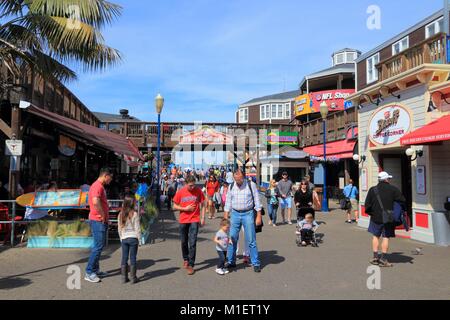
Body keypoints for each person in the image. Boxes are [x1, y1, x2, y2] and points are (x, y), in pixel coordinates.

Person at [224, 169, 263, 273]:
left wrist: (258, 216)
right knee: (232, 238)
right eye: (236, 179)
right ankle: (231, 261)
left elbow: (257, 200)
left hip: (248, 214)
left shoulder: (251, 185)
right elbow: (228, 202)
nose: (238, 182)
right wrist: (225, 216)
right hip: (235, 214)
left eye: (239, 179)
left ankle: (255, 263)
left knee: (251, 239)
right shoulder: (231, 186)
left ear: (243, 177)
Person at [365, 172, 406, 267]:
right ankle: (383, 258)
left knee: (375, 236)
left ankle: (375, 257)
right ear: (386, 179)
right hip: (389, 217)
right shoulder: (393, 189)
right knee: (386, 237)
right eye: (389, 178)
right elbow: (402, 201)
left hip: (375, 217)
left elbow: (367, 205)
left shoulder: (372, 190)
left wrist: (372, 213)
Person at [172, 175, 206, 275]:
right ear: (185, 184)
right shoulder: (181, 192)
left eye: (193, 185)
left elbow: (203, 204)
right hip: (183, 220)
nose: (192, 187)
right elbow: (174, 206)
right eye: (190, 185)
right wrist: (185, 209)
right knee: (183, 241)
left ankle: (191, 264)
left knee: (192, 242)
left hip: (194, 219)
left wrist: (202, 218)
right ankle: (185, 258)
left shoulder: (198, 191)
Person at [85, 168, 113, 283]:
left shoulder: (98, 186)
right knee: (98, 247)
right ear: (106, 176)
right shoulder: (97, 186)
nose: (111, 180)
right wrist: (102, 215)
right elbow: (95, 201)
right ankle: (89, 272)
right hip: (97, 221)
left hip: (99, 220)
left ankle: (95, 270)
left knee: (99, 246)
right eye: (110, 177)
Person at [118, 194, 141, 284]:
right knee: (133, 258)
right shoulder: (134, 214)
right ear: (132, 204)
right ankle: (133, 278)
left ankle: (124, 277)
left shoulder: (121, 214)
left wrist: (121, 238)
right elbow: (137, 228)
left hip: (124, 238)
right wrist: (139, 239)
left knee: (124, 257)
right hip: (133, 238)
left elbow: (119, 228)